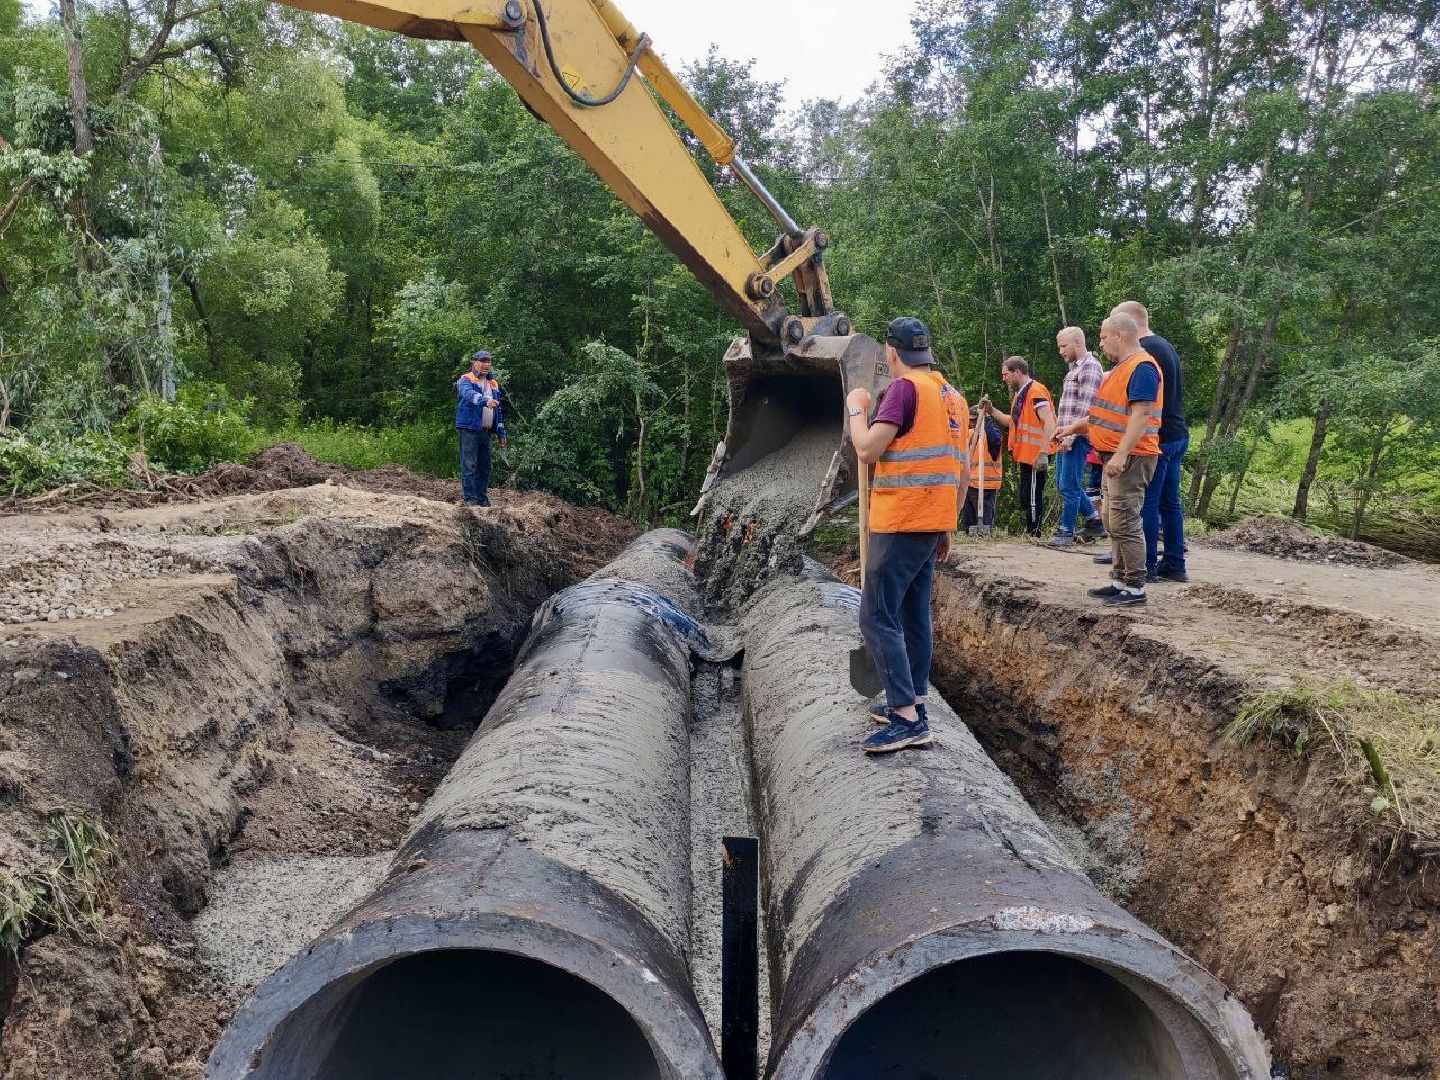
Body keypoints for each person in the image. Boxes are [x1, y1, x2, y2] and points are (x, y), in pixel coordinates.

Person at [846, 317, 970, 753]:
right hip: (931, 521)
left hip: (901, 521)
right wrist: (947, 523)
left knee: (877, 615)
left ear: (892, 353)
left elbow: (867, 448)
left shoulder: (904, 390)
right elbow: (962, 468)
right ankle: (916, 701)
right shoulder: (954, 397)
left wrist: (857, 407)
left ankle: (905, 719)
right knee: (915, 614)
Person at [1071, 312, 1162, 606]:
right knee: (1113, 519)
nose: (1101, 343)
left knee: (1125, 520)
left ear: (1120, 336)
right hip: (1113, 456)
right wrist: (1073, 427)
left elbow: (1142, 414)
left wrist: (1121, 454)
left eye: (1103, 336)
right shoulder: (1122, 369)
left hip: (1131, 458)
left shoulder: (1142, 367)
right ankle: (1120, 579)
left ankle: (1135, 586)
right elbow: (1107, 414)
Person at [1113, 300, 1189, 582]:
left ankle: (1147, 566)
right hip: (1177, 432)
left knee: (1148, 502)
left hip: (1158, 438)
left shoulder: (1146, 353)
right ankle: (1175, 563)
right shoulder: (1165, 346)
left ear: (1128, 324)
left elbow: (1143, 406)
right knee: (1170, 503)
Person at [1047, 327, 1107, 548]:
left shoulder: (1090, 367)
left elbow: (1085, 408)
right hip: (1066, 434)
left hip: (1077, 437)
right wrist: (1059, 432)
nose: (1061, 351)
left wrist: (1070, 436)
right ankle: (1094, 520)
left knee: (1069, 485)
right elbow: (1068, 407)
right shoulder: (1073, 369)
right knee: (1065, 484)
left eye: (1064, 346)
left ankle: (1066, 532)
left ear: (1077, 343)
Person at [982, 357, 1054, 537]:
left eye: (1006, 374)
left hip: (1036, 455)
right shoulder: (1020, 394)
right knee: (1025, 496)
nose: (1003, 378)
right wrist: (992, 411)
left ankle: (1034, 534)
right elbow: (1012, 423)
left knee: (1032, 497)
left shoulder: (1036, 391)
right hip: (1025, 454)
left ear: (1017, 372)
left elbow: (1050, 422)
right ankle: (1032, 532)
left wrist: (1044, 453)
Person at [455, 350, 508, 507]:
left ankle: (482, 498)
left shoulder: (493, 384)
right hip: (469, 429)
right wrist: (485, 400)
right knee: (469, 465)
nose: (486, 364)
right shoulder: (466, 379)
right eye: (483, 361)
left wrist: (501, 433)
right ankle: (470, 499)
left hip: (486, 431)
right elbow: (468, 394)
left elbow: (498, 411)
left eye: (489, 361)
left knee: (485, 467)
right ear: (474, 362)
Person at [962, 412, 1002, 533]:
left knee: (986, 519)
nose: (973, 423)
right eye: (972, 420)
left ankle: (985, 533)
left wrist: (987, 418)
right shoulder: (969, 434)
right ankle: (970, 533)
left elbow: (994, 440)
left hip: (987, 485)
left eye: (976, 420)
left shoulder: (991, 435)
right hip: (970, 484)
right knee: (969, 519)